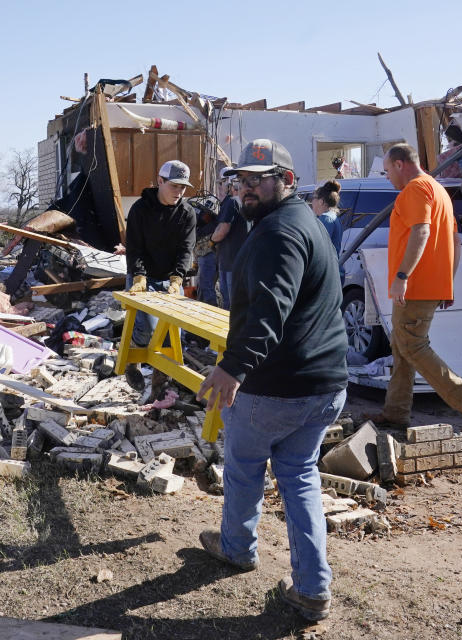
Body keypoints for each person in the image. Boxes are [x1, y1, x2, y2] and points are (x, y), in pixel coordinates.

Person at [196, 139, 348, 622]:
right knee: (300, 476)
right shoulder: (306, 222)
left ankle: (238, 547)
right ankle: (312, 587)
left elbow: (268, 313)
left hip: (277, 385)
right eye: (241, 180)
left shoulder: (277, 234)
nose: (246, 189)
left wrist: (233, 366)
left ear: (287, 180)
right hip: (324, 384)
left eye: (258, 180)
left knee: (243, 465)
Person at [367, 143, 462, 435]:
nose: (387, 177)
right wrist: (446, 283)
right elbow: (455, 241)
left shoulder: (414, 189)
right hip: (427, 286)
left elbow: (422, 230)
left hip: (414, 287)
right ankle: (395, 412)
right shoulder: (438, 191)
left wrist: (402, 275)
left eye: (387, 170)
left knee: (413, 346)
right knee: (402, 348)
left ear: (400, 164)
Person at [124, 160, 197, 389]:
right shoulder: (140, 209)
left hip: (170, 278)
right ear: (160, 181)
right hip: (142, 276)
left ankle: (159, 384)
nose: (179, 192)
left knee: (170, 334)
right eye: (174, 186)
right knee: (145, 327)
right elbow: (135, 247)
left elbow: (187, 249)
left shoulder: (187, 213)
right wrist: (138, 276)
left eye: (183, 187)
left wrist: (177, 278)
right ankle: (132, 361)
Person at [210, 169, 248, 309]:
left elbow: (222, 230)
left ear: (229, 185)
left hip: (231, 263)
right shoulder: (243, 202)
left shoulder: (232, 202)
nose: (220, 187)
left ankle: (230, 331)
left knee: (230, 305)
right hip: (236, 262)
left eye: (221, 184)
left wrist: (211, 241)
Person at [311, 180, 343, 255]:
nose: (311, 201)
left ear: (321, 201)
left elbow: (318, 248)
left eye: (313, 198)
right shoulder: (333, 217)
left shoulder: (325, 218)